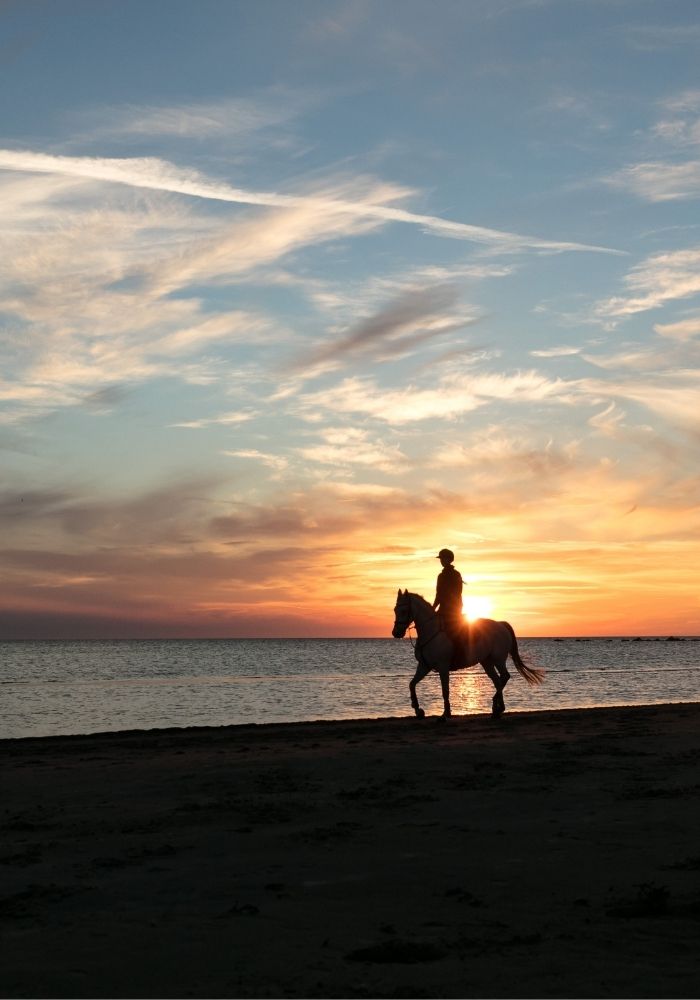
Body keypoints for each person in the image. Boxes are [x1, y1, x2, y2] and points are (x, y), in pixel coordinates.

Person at [432, 548, 467, 664]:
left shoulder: (456, 575)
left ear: (449, 559)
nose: (441, 561)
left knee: (453, 630)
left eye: (443, 559)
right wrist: (433, 608)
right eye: (440, 559)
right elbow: (438, 594)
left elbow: (457, 592)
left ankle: (459, 653)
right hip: (443, 608)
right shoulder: (440, 576)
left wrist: (447, 604)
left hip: (454, 608)